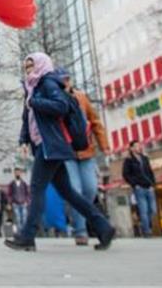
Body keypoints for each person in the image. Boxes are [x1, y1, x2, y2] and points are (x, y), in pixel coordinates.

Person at [5, 53, 115, 253]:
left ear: (41, 64)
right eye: (26, 66)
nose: (28, 69)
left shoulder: (47, 82)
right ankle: (103, 227)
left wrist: (35, 103)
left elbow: (61, 106)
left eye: (32, 65)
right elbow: (27, 118)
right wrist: (23, 139)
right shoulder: (31, 87)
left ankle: (27, 236)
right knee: (68, 192)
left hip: (51, 145)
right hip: (43, 145)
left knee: (37, 188)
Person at [61, 75, 108, 246]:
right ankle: (80, 230)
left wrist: (104, 145)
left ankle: (88, 222)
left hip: (86, 151)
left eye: (67, 79)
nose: (65, 82)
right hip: (67, 154)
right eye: (61, 80)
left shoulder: (81, 97)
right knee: (75, 190)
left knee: (90, 188)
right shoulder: (55, 98)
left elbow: (95, 121)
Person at [121, 140, 157, 237]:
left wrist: (152, 184)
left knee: (153, 210)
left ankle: (146, 226)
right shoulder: (128, 160)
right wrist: (134, 184)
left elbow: (150, 171)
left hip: (149, 187)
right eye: (136, 146)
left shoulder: (145, 158)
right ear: (131, 148)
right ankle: (147, 231)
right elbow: (125, 175)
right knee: (143, 210)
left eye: (139, 146)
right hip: (139, 188)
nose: (138, 147)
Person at [8, 168, 30, 240]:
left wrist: (27, 201)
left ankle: (24, 233)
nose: (17, 174)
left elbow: (27, 193)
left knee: (24, 218)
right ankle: (19, 233)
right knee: (18, 219)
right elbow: (9, 194)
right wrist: (9, 203)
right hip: (15, 203)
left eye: (18, 172)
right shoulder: (12, 184)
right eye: (16, 172)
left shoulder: (24, 183)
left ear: (20, 173)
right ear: (14, 173)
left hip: (23, 203)